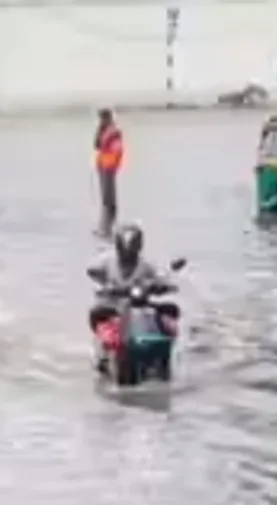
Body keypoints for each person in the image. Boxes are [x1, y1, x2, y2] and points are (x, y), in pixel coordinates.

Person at [86, 224, 178, 367]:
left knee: (171, 310)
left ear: (139, 246)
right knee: (95, 313)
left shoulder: (146, 265)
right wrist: (106, 286)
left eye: (133, 246)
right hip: (113, 307)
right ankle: (101, 351)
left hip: (140, 307)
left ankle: (165, 351)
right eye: (125, 247)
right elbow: (91, 270)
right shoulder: (108, 262)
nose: (128, 252)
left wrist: (161, 286)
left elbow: (161, 277)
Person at [94, 108, 124, 237]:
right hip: (102, 165)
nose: (101, 121)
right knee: (105, 196)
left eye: (102, 118)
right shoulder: (103, 130)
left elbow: (117, 149)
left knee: (109, 197)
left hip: (109, 166)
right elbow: (96, 145)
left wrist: (114, 163)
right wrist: (99, 131)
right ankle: (104, 224)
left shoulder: (114, 132)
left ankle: (109, 224)